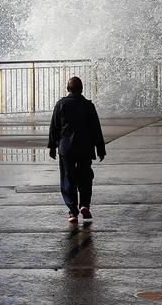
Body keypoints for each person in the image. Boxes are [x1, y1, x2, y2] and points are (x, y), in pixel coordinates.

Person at [48, 76, 106, 224]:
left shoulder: (61, 104)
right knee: (85, 177)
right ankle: (85, 205)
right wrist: (100, 148)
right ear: (81, 89)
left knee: (68, 178)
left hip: (66, 148)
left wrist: (52, 146)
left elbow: (54, 127)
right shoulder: (88, 106)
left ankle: (72, 212)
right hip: (85, 148)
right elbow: (96, 129)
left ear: (68, 89)